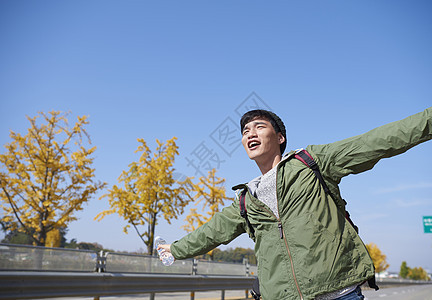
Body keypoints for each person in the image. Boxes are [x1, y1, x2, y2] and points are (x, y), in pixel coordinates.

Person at [158, 107, 432, 300]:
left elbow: (375, 142)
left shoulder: (311, 163)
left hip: (338, 295)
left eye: (260, 126)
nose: (250, 133)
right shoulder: (245, 200)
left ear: (280, 138)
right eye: (245, 130)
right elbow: (210, 232)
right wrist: (174, 249)